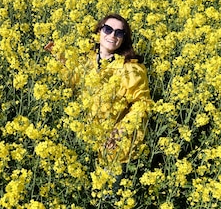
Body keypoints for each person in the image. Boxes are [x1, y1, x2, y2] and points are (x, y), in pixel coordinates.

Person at [45, 13, 151, 172]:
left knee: (107, 192)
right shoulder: (86, 60)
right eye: (108, 29)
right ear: (99, 32)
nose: (112, 35)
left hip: (112, 144)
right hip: (83, 139)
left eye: (119, 33)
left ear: (124, 39)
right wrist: (59, 57)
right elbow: (74, 81)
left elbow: (142, 105)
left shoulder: (131, 68)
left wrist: (120, 132)